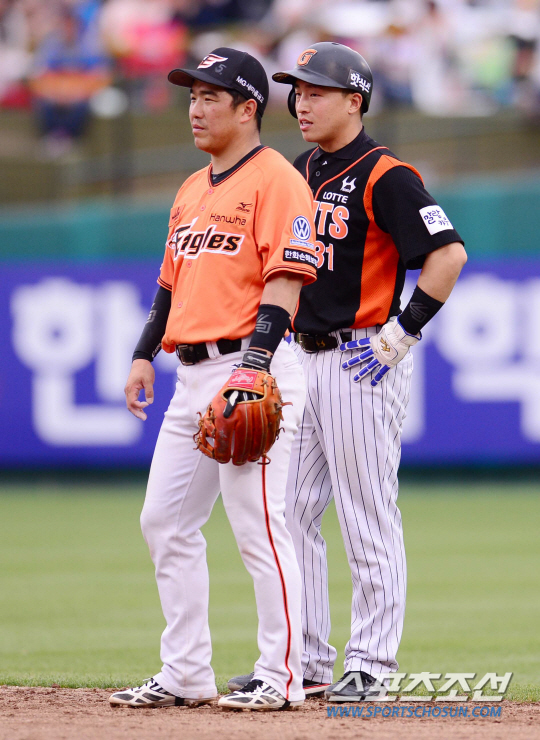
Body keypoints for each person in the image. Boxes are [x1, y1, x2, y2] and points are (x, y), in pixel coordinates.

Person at [228, 41, 467, 701]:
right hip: (301, 358)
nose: (301, 102)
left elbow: (447, 254)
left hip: (362, 358)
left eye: (316, 91)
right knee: (291, 511)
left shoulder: (386, 173)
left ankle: (372, 664)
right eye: (297, 91)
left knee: (366, 515)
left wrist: (403, 332)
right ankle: (306, 661)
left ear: (355, 100)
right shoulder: (298, 169)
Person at [109, 47, 318, 711]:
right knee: (164, 521)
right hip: (191, 375)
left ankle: (280, 676)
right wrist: (144, 352)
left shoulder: (277, 179)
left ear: (247, 108)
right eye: (191, 96)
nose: (195, 109)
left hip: (252, 367)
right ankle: (185, 673)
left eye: (209, 97)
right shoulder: (191, 189)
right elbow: (169, 284)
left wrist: (254, 366)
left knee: (259, 526)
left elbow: (286, 280)